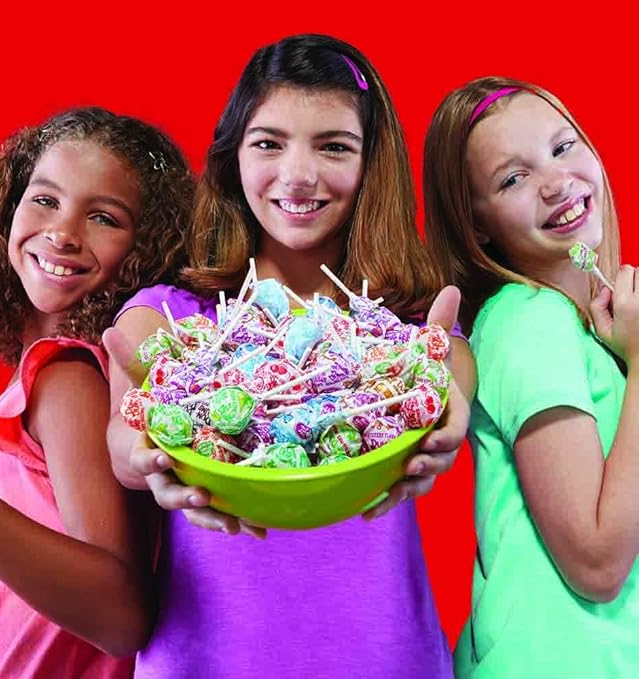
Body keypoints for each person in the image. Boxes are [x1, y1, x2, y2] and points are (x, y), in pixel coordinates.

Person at [106, 34, 474, 678]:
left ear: (373, 164)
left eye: (334, 146)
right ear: (232, 157)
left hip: (382, 660)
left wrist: (448, 406)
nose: (298, 174)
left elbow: (450, 371)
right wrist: (148, 460)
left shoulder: (400, 328)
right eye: (268, 143)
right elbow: (123, 437)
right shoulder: (174, 318)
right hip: (208, 662)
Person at [0, 107, 196, 678]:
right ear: (7, 209)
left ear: (147, 249)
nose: (63, 233)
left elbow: (121, 619)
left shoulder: (68, 377)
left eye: (104, 218)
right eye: (45, 199)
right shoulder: (50, 374)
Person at [423, 77, 639, 677]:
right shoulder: (529, 322)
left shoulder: (583, 332)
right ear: (477, 225)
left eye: (563, 147)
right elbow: (596, 563)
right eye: (512, 179)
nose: (556, 182)